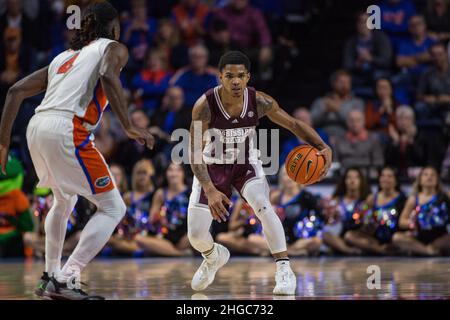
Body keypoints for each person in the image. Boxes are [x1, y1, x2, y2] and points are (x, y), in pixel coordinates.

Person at [0, 2, 154, 300]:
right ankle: (67, 276)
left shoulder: (62, 57)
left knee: (63, 199)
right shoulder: (113, 47)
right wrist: (128, 125)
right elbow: (109, 76)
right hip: (67, 128)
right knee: (113, 208)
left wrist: (4, 142)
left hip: (36, 126)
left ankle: (49, 277)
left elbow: (15, 91)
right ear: (114, 27)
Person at [187, 51, 332, 295]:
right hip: (212, 167)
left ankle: (284, 269)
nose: (235, 81)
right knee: (196, 236)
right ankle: (213, 256)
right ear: (220, 77)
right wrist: (210, 190)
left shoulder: (260, 101)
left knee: (263, 205)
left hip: (246, 164)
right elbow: (193, 153)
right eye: (229, 76)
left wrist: (321, 146)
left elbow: (294, 124)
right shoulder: (204, 106)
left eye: (240, 76)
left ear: (248, 77)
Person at [344, 166, 407, 255]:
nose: (386, 179)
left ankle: (390, 249)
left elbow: (403, 223)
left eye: (389, 176)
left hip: (394, 237)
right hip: (375, 239)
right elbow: (362, 218)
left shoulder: (402, 199)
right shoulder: (372, 198)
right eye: (383, 176)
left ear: (396, 180)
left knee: (399, 239)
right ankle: (381, 250)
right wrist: (367, 223)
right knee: (349, 235)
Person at [392, 166, 450, 256]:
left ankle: (425, 250)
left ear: (437, 180)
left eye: (432, 175)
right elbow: (401, 221)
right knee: (397, 237)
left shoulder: (445, 196)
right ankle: (428, 251)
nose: (429, 177)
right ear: (420, 180)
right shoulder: (414, 199)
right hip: (420, 237)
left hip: (441, 236)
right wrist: (414, 222)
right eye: (425, 174)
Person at [271, 167, 324, 257]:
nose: (289, 178)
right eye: (285, 175)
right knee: (253, 239)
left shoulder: (307, 196)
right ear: (281, 178)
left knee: (317, 241)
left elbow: (319, 218)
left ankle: (285, 252)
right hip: (280, 238)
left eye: (292, 174)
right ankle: (291, 252)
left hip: (301, 239)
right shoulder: (276, 197)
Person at [142, 162, 191, 256]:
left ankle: (168, 251)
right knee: (139, 239)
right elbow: (151, 220)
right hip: (166, 237)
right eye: (170, 170)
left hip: (186, 234)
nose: (174, 173)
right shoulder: (160, 193)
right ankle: (178, 254)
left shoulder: (190, 192)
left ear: (183, 173)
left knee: (196, 235)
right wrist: (159, 219)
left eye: (178, 170)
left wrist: (188, 235)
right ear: (166, 173)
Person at [109, 159, 155, 257]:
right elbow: (120, 219)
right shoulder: (128, 196)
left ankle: (137, 249)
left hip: (146, 235)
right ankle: (136, 250)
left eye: (144, 173)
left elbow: (153, 220)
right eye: (139, 173)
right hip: (127, 236)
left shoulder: (154, 195)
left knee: (140, 240)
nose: (142, 177)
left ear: (151, 175)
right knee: (110, 240)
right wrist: (123, 232)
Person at [322, 167, 370, 255]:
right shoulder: (336, 200)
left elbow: (368, 224)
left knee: (350, 236)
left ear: (361, 181)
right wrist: (331, 216)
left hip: (357, 235)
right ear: (344, 180)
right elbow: (329, 224)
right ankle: (348, 250)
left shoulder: (366, 201)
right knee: (325, 234)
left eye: (356, 177)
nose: (352, 180)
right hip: (339, 237)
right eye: (349, 177)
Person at [343, 12, 392, 97]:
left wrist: (370, 59)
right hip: (359, 73)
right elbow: (347, 64)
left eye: (365, 22)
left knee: (378, 76)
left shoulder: (381, 38)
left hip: (377, 71)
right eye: (360, 22)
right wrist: (357, 64)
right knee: (343, 79)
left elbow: (386, 61)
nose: (362, 25)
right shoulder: (352, 42)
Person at [310, 69, 364, 143]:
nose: (344, 85)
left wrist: (338, 110)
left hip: (348, 140)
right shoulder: (322, 101)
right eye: (341, 82)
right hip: (321, 139)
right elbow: (312, 121)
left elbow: (358, 124)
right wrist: (325, 110)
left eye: (347, 82)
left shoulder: (357, 102)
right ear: (333, 83)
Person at [333, 109, 384, 178]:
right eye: (351, 121)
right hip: (345, 175)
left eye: (358, 120)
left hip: (367, 175)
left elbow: (378, 162)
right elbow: (335, 162)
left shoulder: (373, 139)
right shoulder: (339, 140)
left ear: (364, 122)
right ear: (347, 122)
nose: (354, 123)